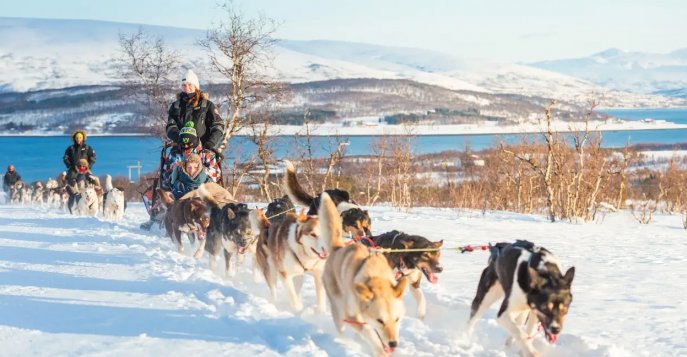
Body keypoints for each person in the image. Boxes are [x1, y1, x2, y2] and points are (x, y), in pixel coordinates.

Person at [166, 69, 224, 151]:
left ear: (196, 86)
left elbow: (218, 125)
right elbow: (170, 126)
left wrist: (211, 142)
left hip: (202, 149)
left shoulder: (207, 105)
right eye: (184, 85)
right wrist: (178, 138)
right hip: (180, 149)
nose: (187, 88)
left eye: (190, 84)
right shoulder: (176, 106)